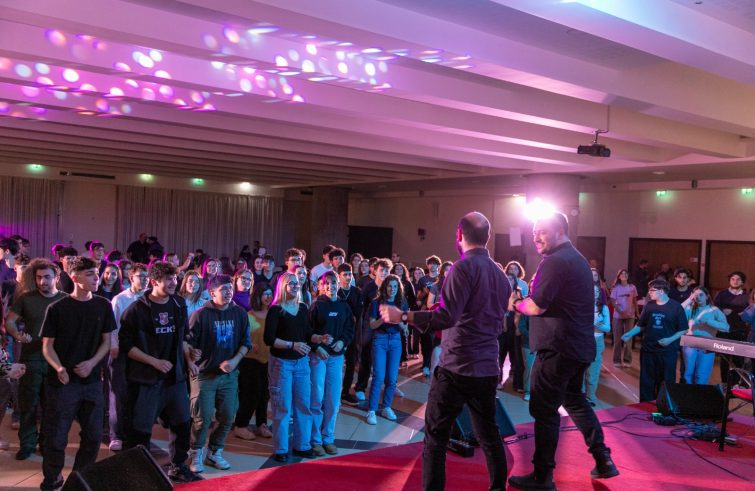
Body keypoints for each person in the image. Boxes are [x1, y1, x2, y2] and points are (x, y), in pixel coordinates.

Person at [380, 211, 510, 491]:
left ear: (459, 235)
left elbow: (446, 317)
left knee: (436, 438)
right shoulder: (501, 275)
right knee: (489, 434)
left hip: (457, 366)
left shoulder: (462, 268)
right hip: (487, 365)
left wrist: (403, 316)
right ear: (487, 237)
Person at [508, 212, 618, 490]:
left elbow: (536, 306)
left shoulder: (555, 261)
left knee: (544, 410)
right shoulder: (577, 259)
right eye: (534, 232)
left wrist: (516, 303)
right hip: (578, 346)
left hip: (557, 347)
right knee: (575, 400)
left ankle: (542, 476)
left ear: (559, 231)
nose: (535, 237)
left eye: (542, 231)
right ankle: (603, 459)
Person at [119, 261, 202, 484]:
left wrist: (189, 355)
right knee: (141, 429)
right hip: (146, 380)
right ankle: (137, 474)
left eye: (175, 278)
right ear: (155, 282)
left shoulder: (178, 304)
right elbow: (126, 346)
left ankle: (178, 466)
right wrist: (153, 362)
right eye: (168, 279)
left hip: (175, 379)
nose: (174, 282)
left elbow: (182, 338)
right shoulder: (136, 310)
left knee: (182, 423)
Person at [40, 257, 115, 491]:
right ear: (75, 277)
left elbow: (107, 342)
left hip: (92, 382)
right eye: (90, 274)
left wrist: (92, 363)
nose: (96, 278)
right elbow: (47, 346)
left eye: (97, 273)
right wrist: (59, 368)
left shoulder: (103, 305)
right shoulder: (57, 308)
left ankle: (79, 480)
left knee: (93, 437)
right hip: (63, 384)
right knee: (56, 437)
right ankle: (52, 479)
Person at [264, 272, 332, 462]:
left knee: (303, 405)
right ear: (283, 286)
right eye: (291, 283)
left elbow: (307, 333)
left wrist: (319, 338)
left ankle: (302, 445)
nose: (295, 286)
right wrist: (292, 345)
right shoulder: (276, 310)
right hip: (282, 364)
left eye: (297, 283)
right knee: (283, 407)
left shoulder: (302, 308)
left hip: (302, 364)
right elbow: (269, 339)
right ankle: (281, 449)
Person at [186, 275, 252, 472]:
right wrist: (192, 354)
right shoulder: (200, 315)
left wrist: (234, 361)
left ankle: (214, 451)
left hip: (229, 376)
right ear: (212, 293)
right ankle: (196, 451)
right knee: (202, 418)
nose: (228, 292)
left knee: (228, 416)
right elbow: (187, 343)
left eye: (230, 288)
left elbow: (246, 343)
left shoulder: (239, 313)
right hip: (204, 375)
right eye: (224, 289)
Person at [5, 259, 65, 460]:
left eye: (47, 277)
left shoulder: (65, 300)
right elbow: (10, 321)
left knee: (51, 406)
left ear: (56, 277)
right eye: (39, 278)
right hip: (31, 357)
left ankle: (46, 443)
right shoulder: (26, 298)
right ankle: (27, 444)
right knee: (28, 405)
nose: (42, 282)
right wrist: (17, 334)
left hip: (56, 360)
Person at [308, 271, 354, 455]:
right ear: (321, 286)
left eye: (333, 283)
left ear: (338, 284)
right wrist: (316, 347)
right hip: (319, 357)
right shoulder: (316, 306)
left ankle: (328, 437)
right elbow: (307, 332)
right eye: (326, 283)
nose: (330, 286)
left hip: (336, 358)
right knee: (317, 398)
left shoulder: (344, 307)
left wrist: (342, 342)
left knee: (333, 400)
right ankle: (315, 439)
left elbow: (350, 329)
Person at [622, 279, 687, 402]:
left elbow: (683, 329)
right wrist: (629, 334)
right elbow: (641, 325)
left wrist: (670, 340)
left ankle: (663, 405)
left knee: (666, 380)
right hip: (648, 349)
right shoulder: (649, 305)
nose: (649, 292)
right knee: (647, 380)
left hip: (667, 351)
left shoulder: (676, 307)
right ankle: (645, 405)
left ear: (661, 291)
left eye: (652, 290)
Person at [107, 262, 149, 451]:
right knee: (118, 394)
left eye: (147, 277)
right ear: (131, 278)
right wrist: (114, 347)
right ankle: (116, 435)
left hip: (142, 352)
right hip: (121, 351)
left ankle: (133, 433)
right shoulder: (120, 299)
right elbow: (113, 327)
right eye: (141, 277)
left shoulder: (150, 298)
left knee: (137, 394)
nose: (145, 280)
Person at [234, 283, 274, 440]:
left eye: (270, 294)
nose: (268, 297)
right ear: (258, 296)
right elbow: (241, 337)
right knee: (251, 393)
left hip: (267, 360)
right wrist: (251, 344)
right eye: (265, 294)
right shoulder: (249, 315)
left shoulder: (273, 314)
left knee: (264, 394)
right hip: (249, 360)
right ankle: (241, 425)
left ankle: (261, 424)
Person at [366, 274, 408, 425]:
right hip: (380, 339)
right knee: (378, 376)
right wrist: (383, 318)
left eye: (395, 286)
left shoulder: (401, 303)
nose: (392, 289)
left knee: (392, 378)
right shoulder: (376, 302)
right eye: (390, 286)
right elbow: (372, 325)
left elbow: (405, 326)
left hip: (395, 340)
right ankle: (372, 410)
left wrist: (400, 322)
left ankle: (386, 407)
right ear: (385, 287)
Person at [682, 287, 729, 384]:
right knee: (688, 373)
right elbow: (676, 312)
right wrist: (689, 299)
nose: (698, 297)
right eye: (695, 295)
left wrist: (710, 322)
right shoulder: (689, 308)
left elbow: (726, 327)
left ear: (707, 296)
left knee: (702, 375)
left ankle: (700, 393)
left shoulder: (714, 310)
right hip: (690, 343)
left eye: (701, 295)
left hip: (707, 345)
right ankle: (687, 392)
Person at [713, 271, 749, 382]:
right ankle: (724, 383)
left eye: (738, 279)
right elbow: (714, 309)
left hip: (740, 331)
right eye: (733, 279)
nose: (735, 281)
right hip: (724, 330)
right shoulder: (722, 294)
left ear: (742, 282)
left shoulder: (747, 296)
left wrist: (743, 313)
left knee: (739, 359)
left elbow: (750, 310)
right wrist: (722, 311)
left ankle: (736, 384)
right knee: (724, 360)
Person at [584, 269, 611, 406]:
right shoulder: (582, 306)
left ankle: (591, 397)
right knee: (581, 370)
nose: (594, 293)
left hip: (597, 340)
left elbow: (608, 328)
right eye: (591, 291)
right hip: (583, 340)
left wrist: (598, 324)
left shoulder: (604, 308)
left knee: (593, 371)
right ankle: (580, 396)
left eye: (596, 292)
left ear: (599, 293)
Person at [609, 269, 637, 368]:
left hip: (630, 316)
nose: (624, 275)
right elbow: (612, 301)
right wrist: (619, 310)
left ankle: (627, 359)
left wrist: (637, 313)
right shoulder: (616, 287)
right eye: (622, 274)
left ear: (628, 276)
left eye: (626, 273)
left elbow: (635, 301)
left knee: (628, 338)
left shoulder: (632, 287)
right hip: (618, 316)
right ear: (619, 276)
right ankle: (616, 360)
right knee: (617, 339)